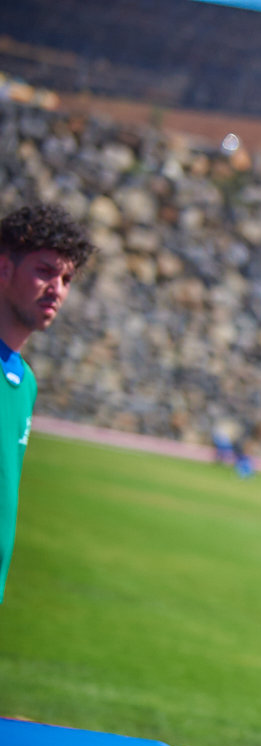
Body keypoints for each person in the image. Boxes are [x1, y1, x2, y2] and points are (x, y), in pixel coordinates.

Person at [1, 203, 94, 605]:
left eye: (67, 278)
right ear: (4, 270)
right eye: (44, 271)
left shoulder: (25, 383)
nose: (57, 288)